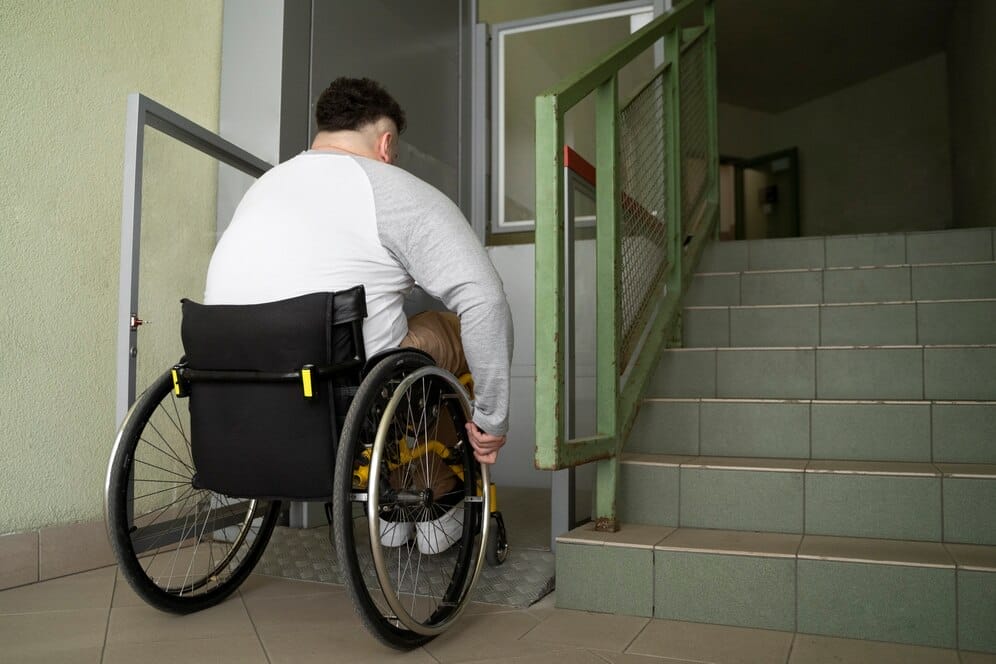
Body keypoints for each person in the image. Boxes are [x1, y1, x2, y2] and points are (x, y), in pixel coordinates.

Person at [203, 77, 512, 553]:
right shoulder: (393, 188)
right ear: (386, 143)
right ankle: (433, 492)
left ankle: (389, 505)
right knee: (451, 327)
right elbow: (484, 298)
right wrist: (493, 420)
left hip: (231, 380)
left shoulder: (263, 187)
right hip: (346, 384)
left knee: (391, 335)